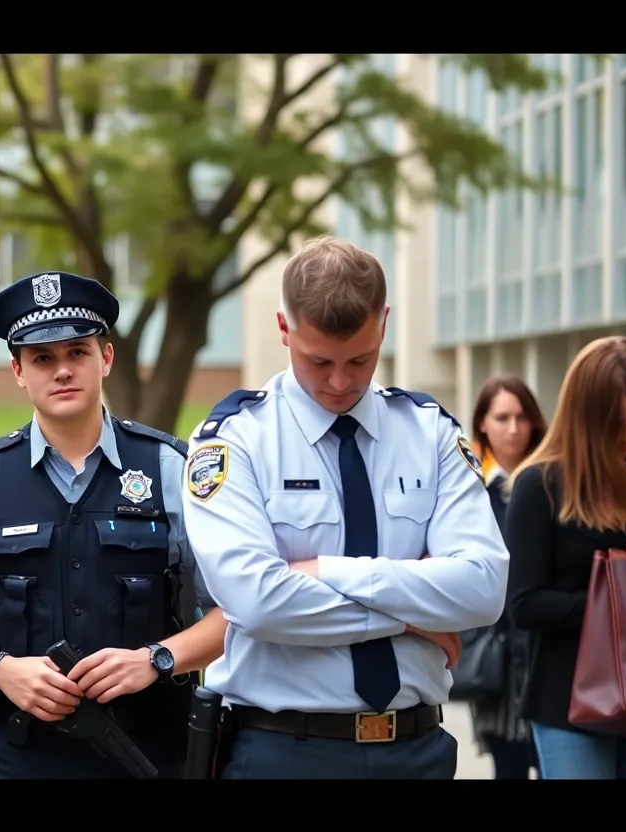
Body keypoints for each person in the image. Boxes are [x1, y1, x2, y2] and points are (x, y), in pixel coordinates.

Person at [182, 236, 509, 779]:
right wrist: (412, 617)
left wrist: (326, 573)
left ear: (384, 323)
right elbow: (256, 602)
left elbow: (482, 588)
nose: (340, 381)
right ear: (283, 328)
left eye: (360, 359)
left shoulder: (429, 433)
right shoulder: (234, 441)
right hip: (283, 749)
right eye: (319, 361)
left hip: (416, 747)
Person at [0, 270, 228, 779]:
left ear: (106, 358)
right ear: (19, 371)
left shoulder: (168, 469)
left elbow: (238, 607)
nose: (62, 370)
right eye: (43, 358)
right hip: (16, 752)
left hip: (148, 753)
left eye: (77, 353)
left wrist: (156, 659)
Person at [504, 336, 626, 779]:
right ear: (584, 417)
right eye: (616, 424)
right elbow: (524, 605)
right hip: (569, 702)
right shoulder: (540, 485)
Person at [462, 373, 545, 779]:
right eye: (502, 417)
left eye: (521, 417)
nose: (513, 428)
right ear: (482, 423)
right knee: (508, 767)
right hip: (498, 658)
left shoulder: (552, 478)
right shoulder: (470, 485)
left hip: (546, 650)